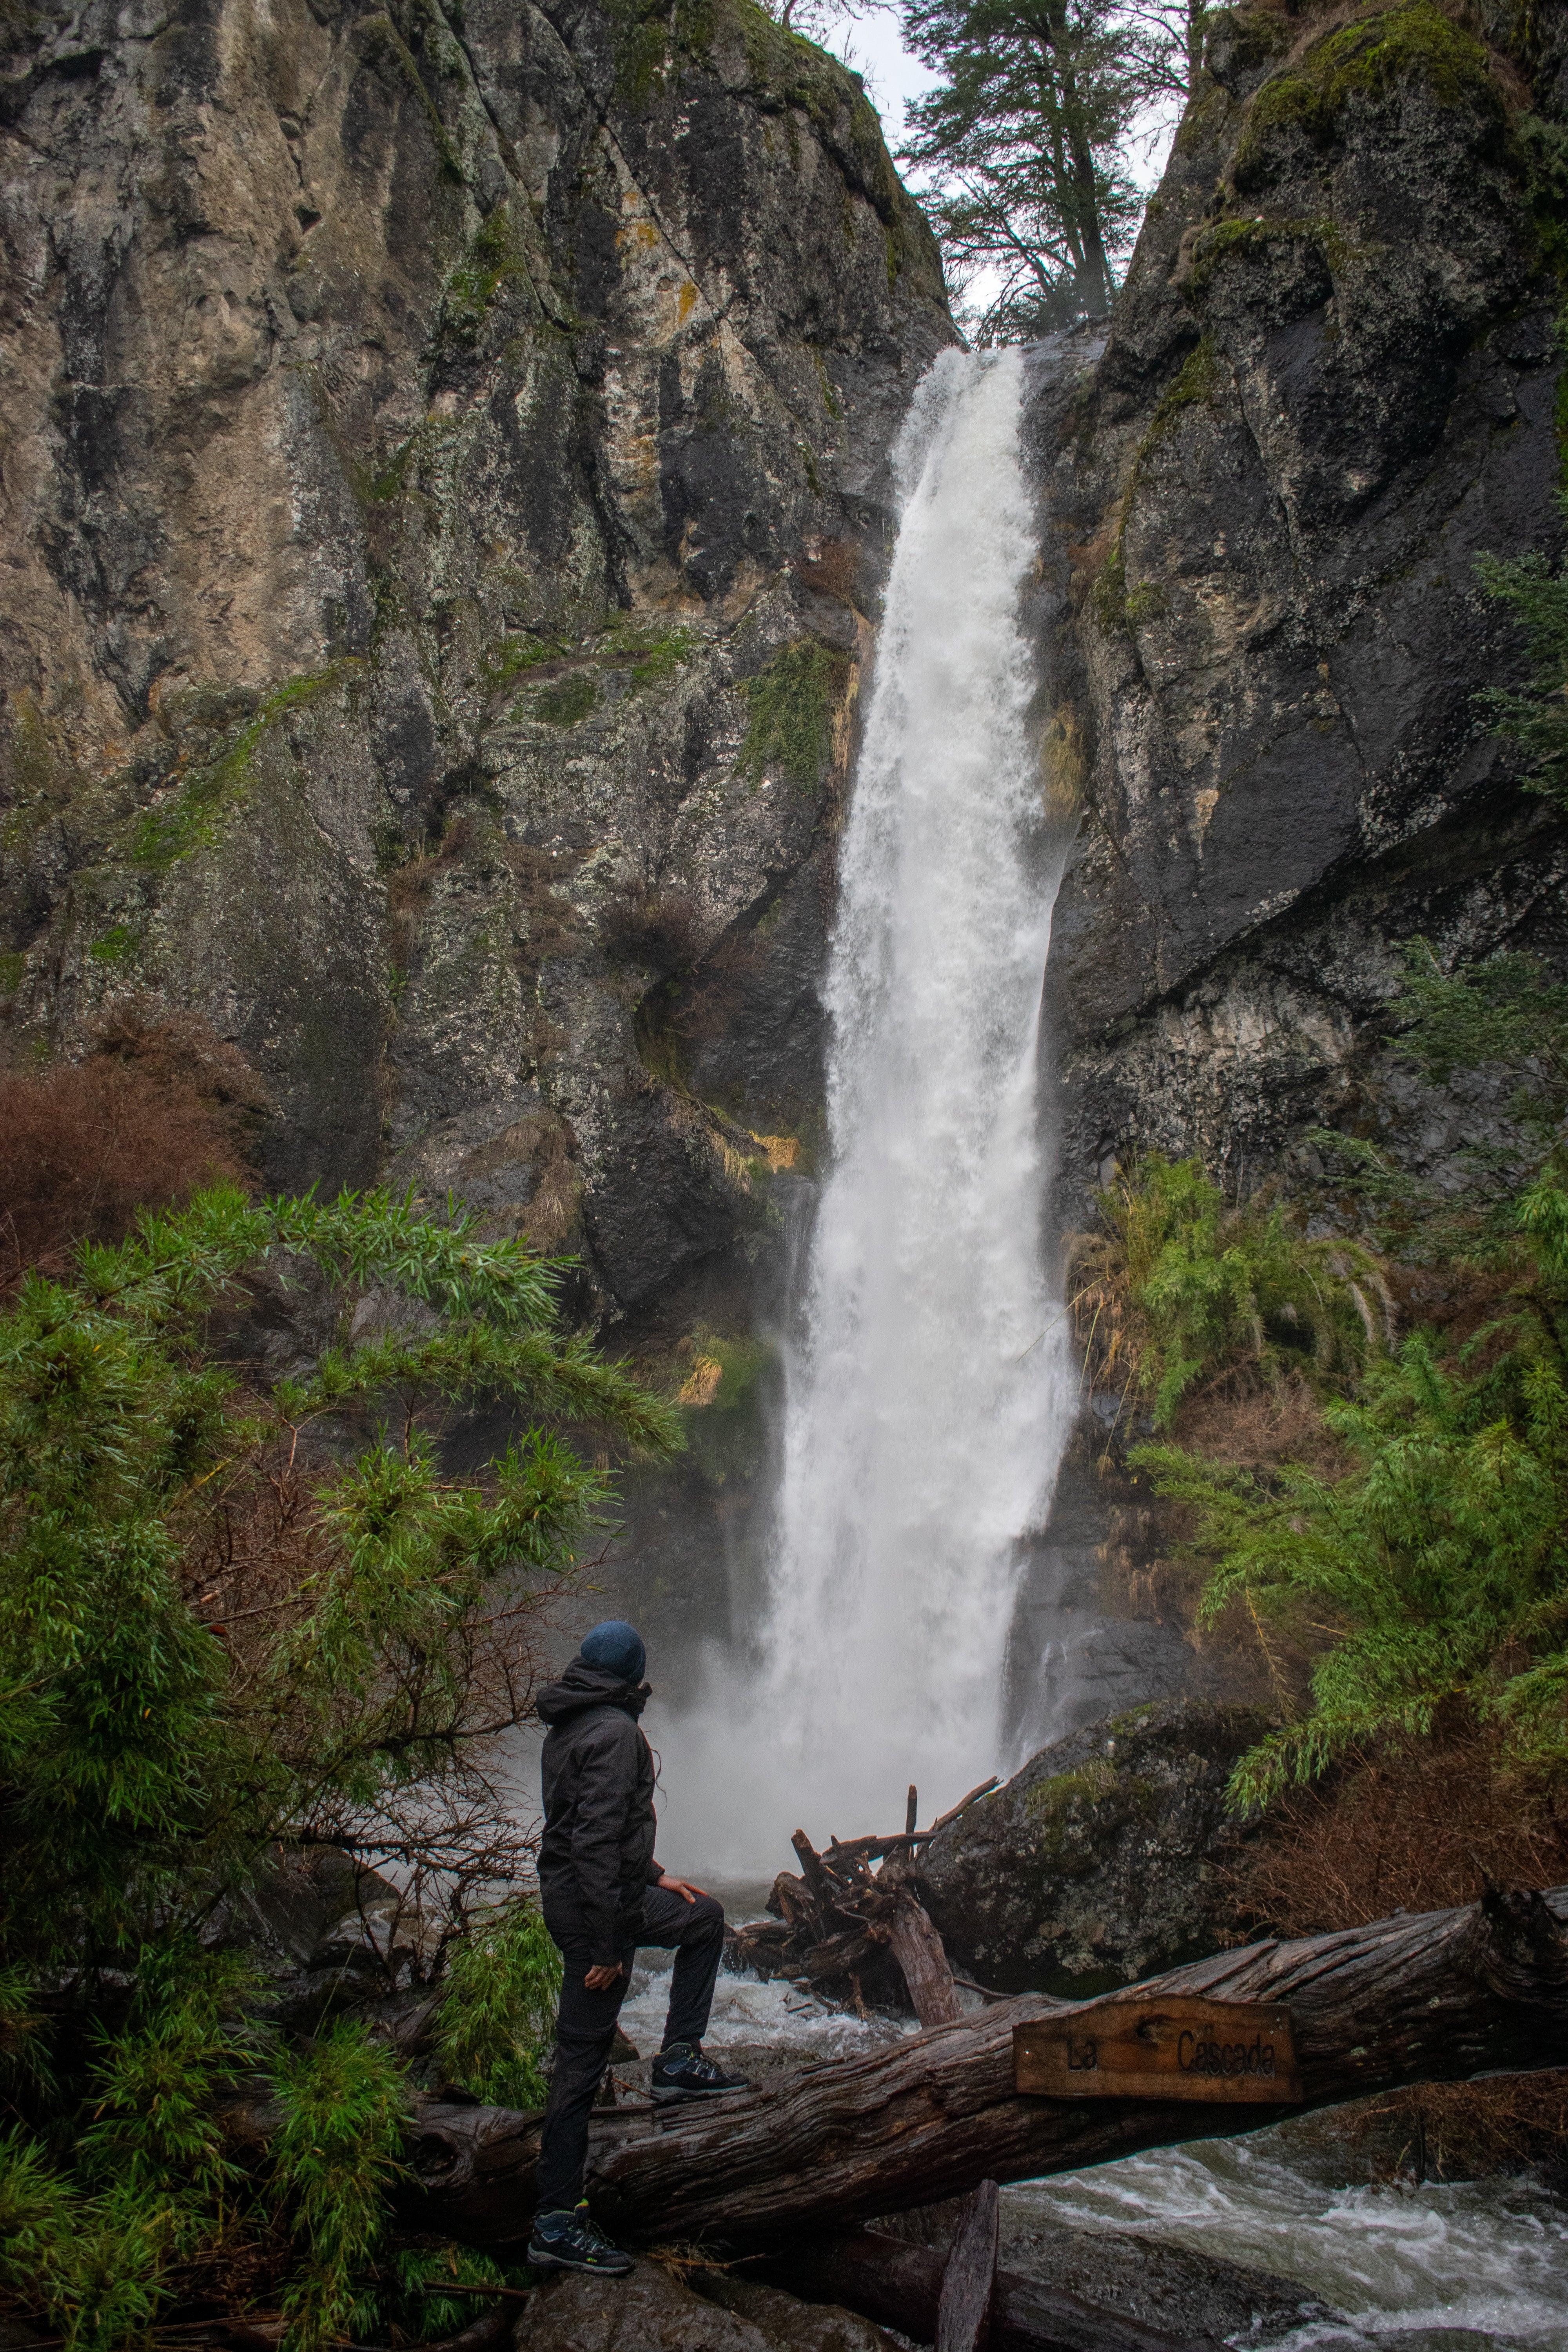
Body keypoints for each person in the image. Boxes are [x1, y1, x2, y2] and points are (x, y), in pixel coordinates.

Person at [526, 1619, 749, 2275]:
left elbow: (586, 1827)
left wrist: (657, 1876)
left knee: (704, 1916)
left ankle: (679, 2058)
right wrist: (606, 1949)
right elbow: (593, 1843)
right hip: (599, 1913)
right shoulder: (618, 1733)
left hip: (593, 1899)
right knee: (583, 2058)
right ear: (631, 1675)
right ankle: (557, 2220)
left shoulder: (571, 1725)